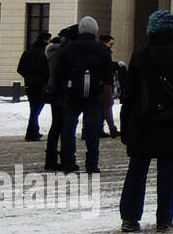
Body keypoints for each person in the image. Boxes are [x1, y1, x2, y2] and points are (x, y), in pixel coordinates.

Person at [119, 9, 173, 233]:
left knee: (137, 170)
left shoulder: (139, 55)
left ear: (151, 31)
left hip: (142, 120)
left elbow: (129, 94)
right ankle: (164, 220)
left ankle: (129, 218)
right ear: (172, 31)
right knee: (167, 172)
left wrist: (124, 124)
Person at [58, 16, 114, 175]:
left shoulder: (69, 48)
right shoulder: (102, 49)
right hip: (93, 94)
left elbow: (60, 73)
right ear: (95, 30)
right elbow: (108, 76)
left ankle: (68, 162)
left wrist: (62, 90)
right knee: (92, 130)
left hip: (73, 93)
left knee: (68, 127)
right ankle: (91, 164)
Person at [43, 26, 76, 171]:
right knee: (64, 126)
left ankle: (50, 159)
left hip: (54, 92)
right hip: (63, 92)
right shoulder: (66, 53)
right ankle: (65, 159)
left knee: (56, 126)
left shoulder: (54, 52)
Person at [17, 30, 51, 141]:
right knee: (36, 109)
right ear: (45, 40)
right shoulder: (45, 54)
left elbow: (20, 69)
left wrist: (28, 77)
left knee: (34, 108)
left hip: (29, 85)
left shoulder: (27, 52)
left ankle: (34, 131)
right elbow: (48, 70)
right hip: (41, 85)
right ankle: (31, 133)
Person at [100, 34, 123, 138]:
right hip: (105, 83)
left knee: (102, 107)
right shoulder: (104, 51)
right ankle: (112, 129)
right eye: (111, 44)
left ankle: (101, 129)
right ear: (105, 42)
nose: (112, 46)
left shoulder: (101, 50)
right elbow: (107, 66)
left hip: (101, 82)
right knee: (107, 107)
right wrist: (117, 65)